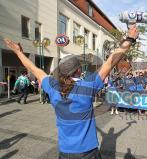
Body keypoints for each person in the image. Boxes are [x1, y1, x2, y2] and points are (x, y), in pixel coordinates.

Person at [4, 25, 138, 158]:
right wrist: (130, 39)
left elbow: (33, 69)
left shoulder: (52, 86)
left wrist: (18, 52)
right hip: (87, 151)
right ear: (78, 70)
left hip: (65, 151)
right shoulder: (88, 85)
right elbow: (111, 61)